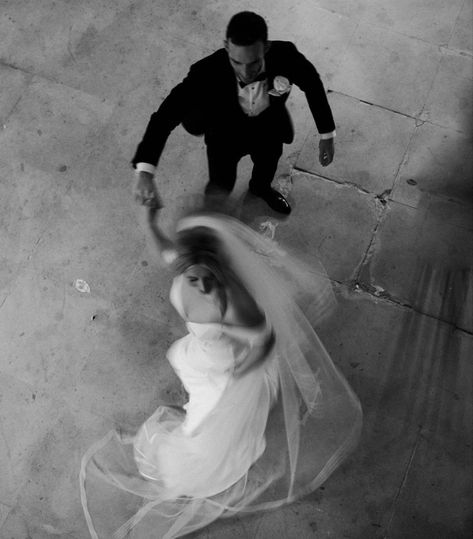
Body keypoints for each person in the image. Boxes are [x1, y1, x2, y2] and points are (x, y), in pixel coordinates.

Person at [80, 206, 361, 539]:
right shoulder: (187, 265)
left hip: (223, 366)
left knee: (207, 421)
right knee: (200, 397)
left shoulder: (232, 297)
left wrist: (240, 382)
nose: (197, 281)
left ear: (218, 262)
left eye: (205, 272)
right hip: (202, 355)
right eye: (191, 268)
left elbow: (264, 341)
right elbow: (166, 252)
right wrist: (149, 219)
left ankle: (196, 470)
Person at [132, 11, 336, 215]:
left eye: (254, 63)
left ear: (265, 47)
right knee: (220, 185)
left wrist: (327, 134)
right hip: (224, 138)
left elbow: (312, 84)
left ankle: (260, 189)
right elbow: (165, 116)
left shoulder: (285, 55)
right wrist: (145, 171)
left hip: (269, 131)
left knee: (266, 168)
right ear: (227, 47)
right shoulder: (206, 71)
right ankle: (214, 214)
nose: (246, 73)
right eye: (237, 62)